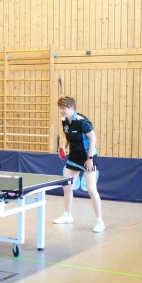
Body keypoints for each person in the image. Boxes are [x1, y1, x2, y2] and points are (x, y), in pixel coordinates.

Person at [53, 96, 105, 233]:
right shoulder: (64, 120)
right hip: (74, 156)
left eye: (63, 108)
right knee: (67, 186)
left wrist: (90, 158)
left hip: (88, 156)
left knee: (91, 189)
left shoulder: (82, 121)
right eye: (60, 108)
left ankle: (99, 222)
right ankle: (67, 215)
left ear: (71, 107)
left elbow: (93, 138)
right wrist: (63, 147)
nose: (61, 110)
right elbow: (66, 136)